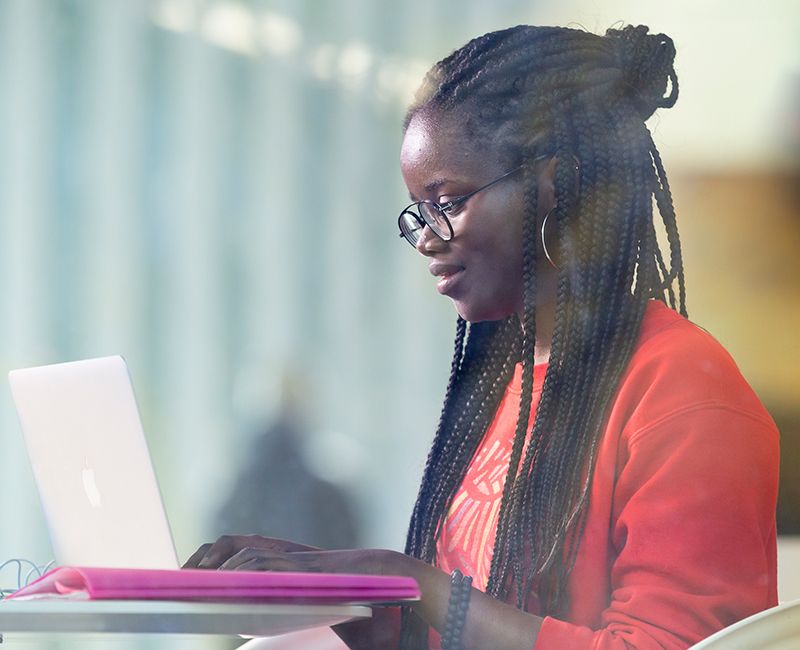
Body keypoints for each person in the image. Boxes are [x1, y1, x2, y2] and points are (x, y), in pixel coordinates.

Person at [185, 24, 780, 650]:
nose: (426, 238)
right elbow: (472, 624)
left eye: (448, 200)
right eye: (419, 210)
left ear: (559, 184)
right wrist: (326, 584)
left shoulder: (682, 391)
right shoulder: (510, 381)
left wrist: (411, 580)